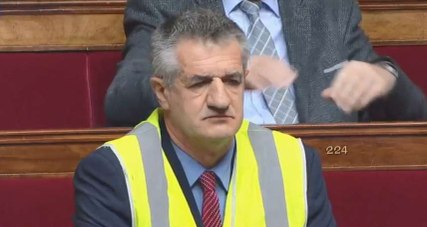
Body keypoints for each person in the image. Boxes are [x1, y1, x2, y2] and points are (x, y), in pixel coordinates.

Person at [71, 9, 338, 227]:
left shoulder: (296, 162)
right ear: (162, 92)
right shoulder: (114, 170)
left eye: (233, 81)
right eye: (199, 83)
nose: (220, 100)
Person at [105, 0, 427, 126]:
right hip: (222, 178)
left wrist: (385, 78)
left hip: (328, 168)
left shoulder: (328, 7)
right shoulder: (165, 6)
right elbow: (123, 101)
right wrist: (223, 74)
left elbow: (414, 119)